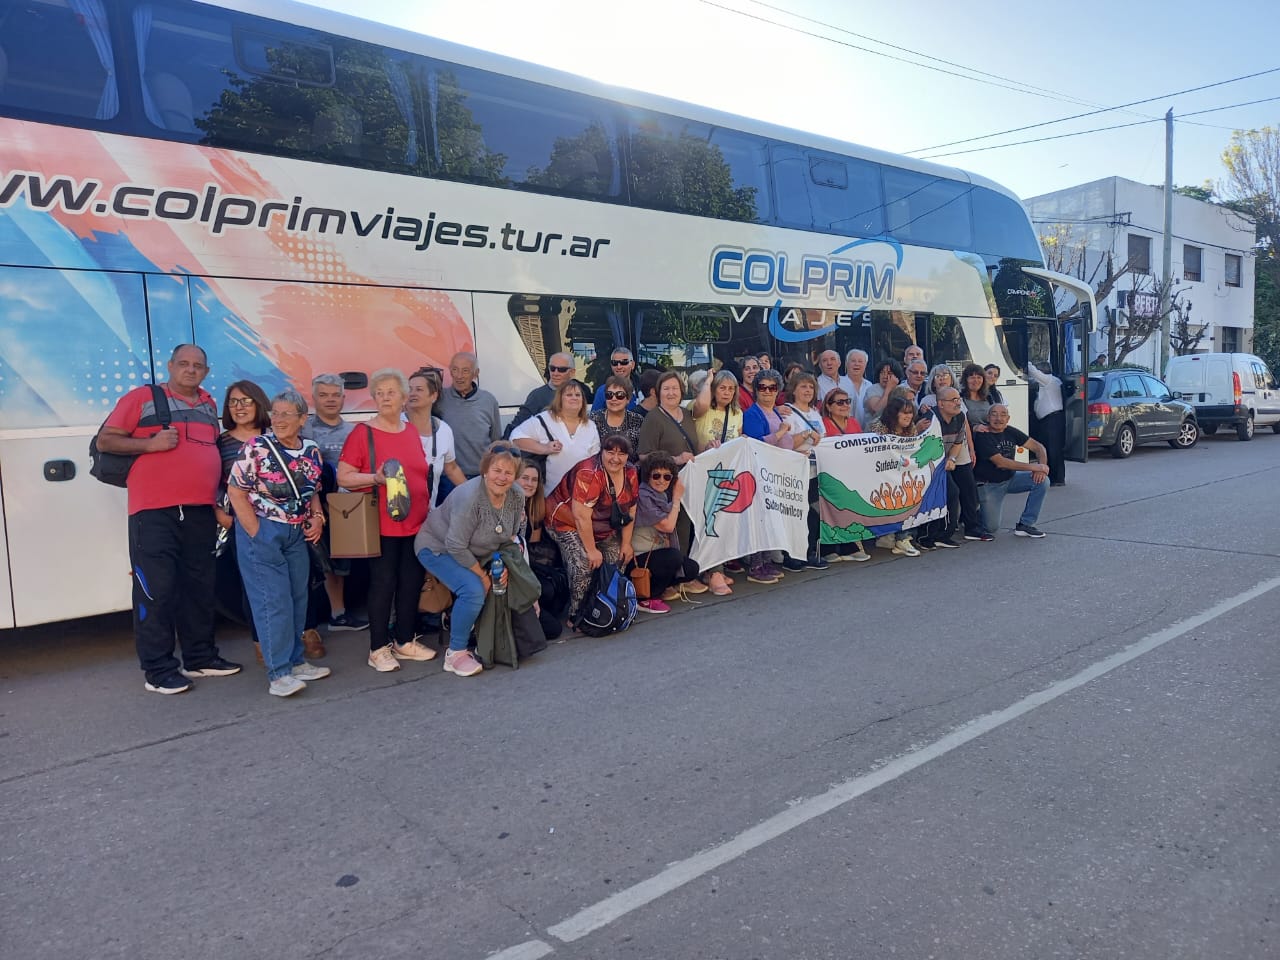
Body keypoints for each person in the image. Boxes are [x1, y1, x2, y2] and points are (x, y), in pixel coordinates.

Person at [96, 344, 241, 695]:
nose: (190, 370)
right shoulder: (141, 398)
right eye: (184, 364)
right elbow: (105, 441)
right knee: (155, 591)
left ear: (206, 371)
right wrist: (149, 445)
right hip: (153, 512)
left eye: (198, 366)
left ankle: (200, 657)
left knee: (199, 587)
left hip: (199, 510)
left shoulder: (208, 404)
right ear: (170, 366)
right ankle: (158, 670)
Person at [226, 392, 330, 697]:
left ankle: (296, 662)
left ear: (302, 419)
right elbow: (235, 492)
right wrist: (256, 531)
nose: (280, 420)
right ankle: (278, 673)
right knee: (272, 602)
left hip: (296, 532)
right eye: (276, 414)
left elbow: (312, 489)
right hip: (264, 530)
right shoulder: (256, 447)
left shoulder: (311, 450)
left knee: (298, 598)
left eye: (288, 414)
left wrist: (318, 517)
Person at [337, 368, 437, 672]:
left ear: (404, 397)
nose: (384, 398)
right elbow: (343, 475)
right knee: (383, 583)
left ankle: (404, 640)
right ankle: (378, 647)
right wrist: (375, 478)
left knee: (411, 581)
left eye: (391, 392)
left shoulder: (409, 431)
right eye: (379, 393)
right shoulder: (362, 433)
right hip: (382, 522)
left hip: (416, 521)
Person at [415, 444, 528, 678]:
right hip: (438, 546)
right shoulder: (470, 498)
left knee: (504, 580)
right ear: (485, 470)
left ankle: (493, 639)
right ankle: (455, 653)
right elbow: (455, 544)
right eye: (497, 470)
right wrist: (482, 575)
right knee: (474, 589)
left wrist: (501, 565)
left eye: (509, 473)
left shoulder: (517, 495)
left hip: (478, 549)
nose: (502, 477)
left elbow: (508, 535)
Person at [214, 380, 277, 663]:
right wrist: (222, 517)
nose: (239, 407)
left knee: (287, 584)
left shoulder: (276, 436)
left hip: (281, 523)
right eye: (233, 402)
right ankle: (261, 644)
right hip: (242, 526)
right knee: (253, 587)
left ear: (259, 403)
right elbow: (210, 484)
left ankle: (298, 635)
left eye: (246, 401)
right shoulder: (221, 443)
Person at [544, 435, 638, 622]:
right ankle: (578, 615)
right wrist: (592, 549)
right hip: (566, 521)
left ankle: (607, 605)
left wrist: (626, 543)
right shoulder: (589, 473)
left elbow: (631, 508)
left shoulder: (631, 472)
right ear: (601, 452)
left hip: (601, 525)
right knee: (584, 563)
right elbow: (581, 516)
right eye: (610, 452)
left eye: (621, 454)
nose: (615, 458)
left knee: (619, 556)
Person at [304, 373, 366, 632]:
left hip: (344, 508)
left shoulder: (354, 431)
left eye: (335, 395)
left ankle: (338, 615)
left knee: (338, 563)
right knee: (310, 567)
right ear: (314, 398)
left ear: (343, 398)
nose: (330, 400)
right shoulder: (303, 429)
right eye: (323, 395)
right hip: (310, 508)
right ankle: (305, 627)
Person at [628, 453, 706, 611]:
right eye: (656, 475)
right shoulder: (644, 496)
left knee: (691, 569)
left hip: (656, 554)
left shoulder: (661, 495)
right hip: (637, 560)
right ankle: (646, 598)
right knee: (673, 557)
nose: (661, 481)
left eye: (667, 477)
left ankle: (657, 587)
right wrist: (677, 499)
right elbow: (667, 527)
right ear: (648, 476)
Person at [740, 368, 793, 585]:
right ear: (755, 390)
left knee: (769, 519)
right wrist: (780, 433)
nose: (767, 391)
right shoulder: (752, 414)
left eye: (772, 387)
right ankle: (756, 565)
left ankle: (766, 560)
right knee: (758, 520)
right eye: (762, 387)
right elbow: (754, 443)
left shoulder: (777, 413)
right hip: (758, 473)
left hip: (775, 473)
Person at [914, 386, 980, 550]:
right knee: (950, 492)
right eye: (953, 400)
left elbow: (958, 443)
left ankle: (944, 534)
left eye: (959, 399)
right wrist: (943, 462)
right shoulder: (930, 419)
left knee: (958, 490)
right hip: (926, 462)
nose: (958, 403)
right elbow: (921, 446)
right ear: (941, 404)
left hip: (944, 460)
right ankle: (926, 536)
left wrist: (951, 458)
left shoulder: (960, 417)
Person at [972, 403, 1050, 538]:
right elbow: (1001, 462)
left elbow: (1039, 447)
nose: (999, 418)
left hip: (1010, 479)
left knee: (1042, 481)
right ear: (988, 417)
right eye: (994, 414)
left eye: (1003, 415)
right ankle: (976, 513)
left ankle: (1026, 524)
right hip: (989, 485)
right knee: (991, 528)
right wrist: (1034, 467)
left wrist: (1041, 469)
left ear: (1008, 419)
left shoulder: (1010, 431)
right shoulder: (983, 435)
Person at [510, 379, 601, 495]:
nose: (574, 398)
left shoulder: (590, 426)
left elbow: (596, 461)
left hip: (581, 496)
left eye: (578, 395)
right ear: (560, 399)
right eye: (569, 395)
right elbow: (515, 438)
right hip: (550, 496)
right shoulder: (545, 419)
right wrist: (544, 448)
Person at [781, 372, 829, 570]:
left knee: (812, 513)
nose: (808, 390)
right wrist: (807, 433)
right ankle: (791, 555)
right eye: (803, 386)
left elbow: (824, 440)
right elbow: (786, 443)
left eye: (810, 387)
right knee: (795, 514)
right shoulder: (787, 413)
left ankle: (810, 551)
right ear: (793, 390)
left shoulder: (815, 413)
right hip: (795, 472)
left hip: (815, 472)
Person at [868, 394, 925, 558]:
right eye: (904, 413)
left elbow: (913, 449)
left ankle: (903, 536)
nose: (908, 416)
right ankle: (901, 538)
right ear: (894, 413)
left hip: (903, 470)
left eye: (910, 413)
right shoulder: (877, 427)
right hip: (881, 473)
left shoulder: (911, 427)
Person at [819, 388, 871, 563]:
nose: (844, 405)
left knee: (851, 508)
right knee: (831, 510)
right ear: (828, 405)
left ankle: (850, 545)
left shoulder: (854, 423)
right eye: (839, 402)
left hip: (851, 473)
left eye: (847, 401)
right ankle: (829, 548)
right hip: (829, 474)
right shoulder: (823, 423)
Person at [406, 366, 467, 505]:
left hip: (427, 514)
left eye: (419, 389)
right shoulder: (396, 425)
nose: (412, 393)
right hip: (398, 513)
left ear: (433, 396)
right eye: (409, 389)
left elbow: (451, 468)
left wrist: (473, 494)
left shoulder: (444, 430)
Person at [435, 351, 502, 478]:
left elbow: (496, 441)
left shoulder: (488, 400)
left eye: (465, 371)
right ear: (450, 371)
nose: (459, 376)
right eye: (455, 369)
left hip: (480, 475)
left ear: (476, 373)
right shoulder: (439, 398)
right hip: (447, 477)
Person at [637, 371, 698, 466]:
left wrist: (709, 448)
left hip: (690, 477)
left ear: (681, 391)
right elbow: (644, 456)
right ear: (658, 392)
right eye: (666, 389)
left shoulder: (687, 414)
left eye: (675, 388)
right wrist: (674, 459)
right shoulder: (653, 418)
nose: (671, 393)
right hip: (665, 479)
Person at [510, 351, 575, 431]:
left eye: (561, 369)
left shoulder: (580, 393)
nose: (555, 373)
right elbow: (518, 425)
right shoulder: (537, 395)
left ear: (572, 372)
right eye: (552, 368)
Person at [1026, 361, 1066, 486]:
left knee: (1053, 449)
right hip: (1048, 420)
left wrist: (1025, 359)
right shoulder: (1051, 382)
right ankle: (1053, 476)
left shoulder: (1049, 380)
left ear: (1043, 371)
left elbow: (1032, 371)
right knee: (1050, 448)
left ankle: (1057, 478)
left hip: (1052, 420)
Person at [590, 374, 645, 460]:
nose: (614, 399)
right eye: (609, 395)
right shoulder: (594, 419)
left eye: (620, 395)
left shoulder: (638, 420)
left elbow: (642, 453)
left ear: (628, 399)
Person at [689, 369, 743, 452]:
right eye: (722, 388)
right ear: (713, 389)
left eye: (731, 389)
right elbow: (702, 404)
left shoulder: (737, 412)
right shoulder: (701, 406)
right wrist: (709, 380)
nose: (727, 393)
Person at [844, 349, 875, 426]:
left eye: (860, 361)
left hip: (866, 433)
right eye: (853, 361)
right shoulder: (840, 384)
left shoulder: (869, 385)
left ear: (865, 364)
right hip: (846, 432)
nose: (856, 364)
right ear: (846, 364)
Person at [960, 363, 994, 427]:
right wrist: (974, 428)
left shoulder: (989, 397)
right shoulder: (960, 398)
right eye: (972, 377)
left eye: (979, 377)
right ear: (966, 380)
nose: (976, 380)